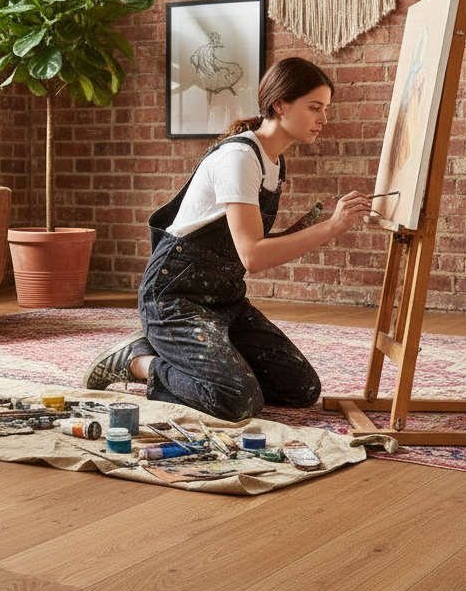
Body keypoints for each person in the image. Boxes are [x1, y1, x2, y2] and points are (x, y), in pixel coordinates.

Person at [82, 57, 372, 422]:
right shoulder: (240, 157)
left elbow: (239, 246)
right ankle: (139, 361)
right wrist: (331, 227)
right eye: (315, 108)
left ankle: (209, 355)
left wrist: (296, 232)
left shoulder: (275, 161)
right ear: (280, 104)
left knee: (302, 390)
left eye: (325, 109)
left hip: (225, 301)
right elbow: (252, 256)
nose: (324, 119)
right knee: (238, 400)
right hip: (175, 300)